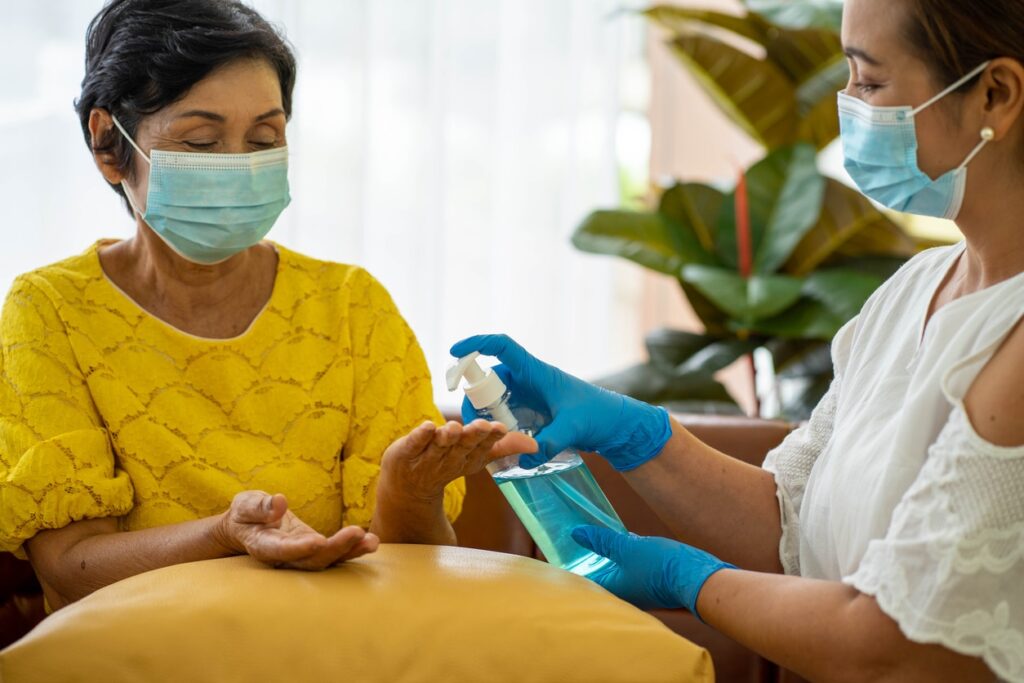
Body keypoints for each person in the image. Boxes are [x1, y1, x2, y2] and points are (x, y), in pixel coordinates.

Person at [455, 0, 1024, 680]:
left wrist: (687, 581)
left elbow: (895, 646)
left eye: (870, 84)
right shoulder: (915, 288)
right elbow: (793, 525)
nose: (848, 107)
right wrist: (637, 435)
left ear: (995, 94)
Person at [0, 0, 532, 612]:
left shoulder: (351, 307)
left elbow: (411, 570)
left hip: (344, 650)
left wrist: (408, 492)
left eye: (263, 138)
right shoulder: (50, 311)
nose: (239, 167)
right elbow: (69, 569)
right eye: (201, 142)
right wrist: (225, 535)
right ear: (107, 144)